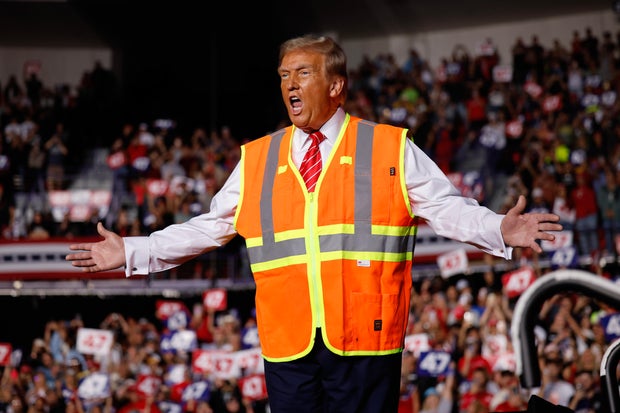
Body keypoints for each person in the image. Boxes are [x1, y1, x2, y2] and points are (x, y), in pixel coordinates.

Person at [66, 34, 562, 413]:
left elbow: (447, 207)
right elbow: (207, 227)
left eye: (302, 73)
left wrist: (500, 229)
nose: (289, 85)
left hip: (365, 341)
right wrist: (131, 251)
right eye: (283, 76)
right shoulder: (258, 159)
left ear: (336, 85)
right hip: (288, 346)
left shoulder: (387, 146)